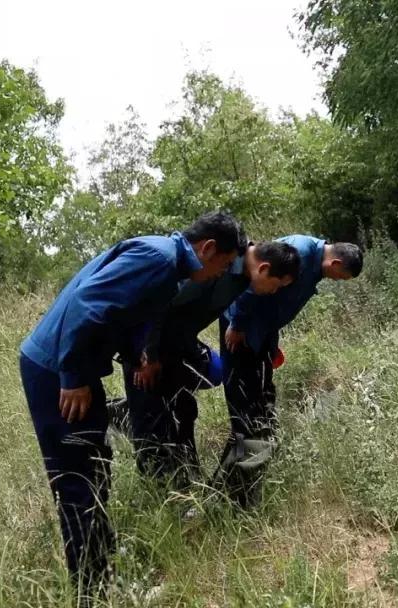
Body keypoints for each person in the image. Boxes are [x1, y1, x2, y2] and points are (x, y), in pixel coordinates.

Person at [17, 211, 246, 600]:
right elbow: (87, 304)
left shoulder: (168, 264)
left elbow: (125, 315)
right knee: (78, 480)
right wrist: (72, 376)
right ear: (208, 249)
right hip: (56, 370)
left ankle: (105, 579)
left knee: (96, 468)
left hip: (73, 368)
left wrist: (139, 355)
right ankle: (92, 595)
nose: (221, 275)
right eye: (223, 265)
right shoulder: (158, 258)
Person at [118, 240, 302, 490]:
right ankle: (161, 494)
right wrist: (146, 356)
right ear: (263, 268)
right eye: (276, 285)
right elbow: (156, 304)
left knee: (183, 409)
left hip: (176, 346)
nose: (273, 292)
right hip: (144, 352)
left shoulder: (241, 276)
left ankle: (187, 484)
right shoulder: (216, 267)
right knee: (152, 429)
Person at [216, 236, 363, 507]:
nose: (337, 281)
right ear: (335, 263)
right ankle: (231, 496)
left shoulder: (314, 264)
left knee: (261, 412)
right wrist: (237, 324)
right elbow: (255, 282)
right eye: (340, 277)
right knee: (247, 416)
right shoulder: (300, 252)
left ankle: (236, 488)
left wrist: (270, 345)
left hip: (259, 337)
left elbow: (276, 305)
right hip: (240, 335)